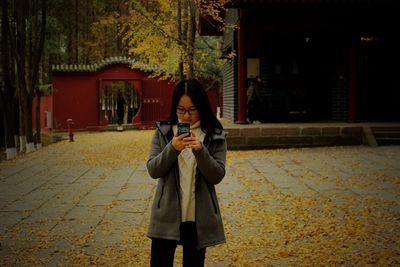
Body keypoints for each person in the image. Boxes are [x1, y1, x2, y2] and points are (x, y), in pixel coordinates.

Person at [146, 79, 227, 267]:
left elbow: (217, 175)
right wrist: (172, 148)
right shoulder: (164, 131)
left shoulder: (214, 134)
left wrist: (200, 151)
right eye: (181, 110)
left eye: (192, 110)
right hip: (166, 215)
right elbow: (153, 169)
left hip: (197, 218)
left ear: (202, 107)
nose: (186, 116)